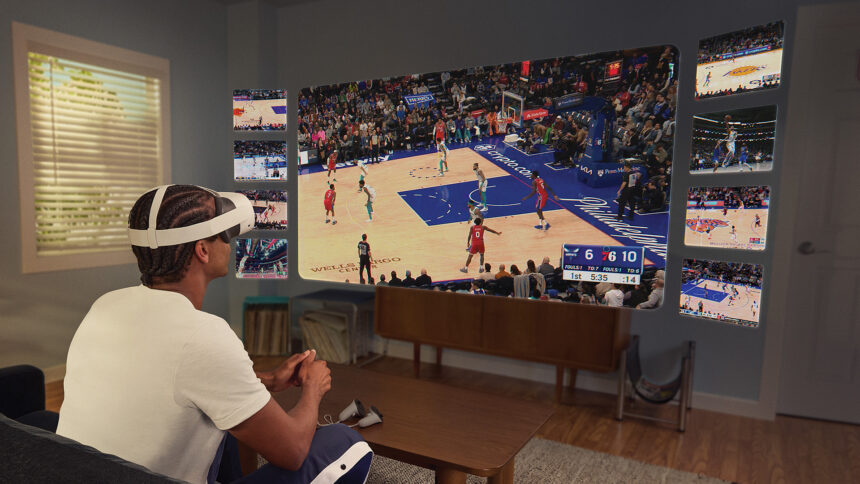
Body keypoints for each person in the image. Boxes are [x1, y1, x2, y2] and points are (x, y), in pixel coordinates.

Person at [57, 185, 371, 484]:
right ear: (203, 251)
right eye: (224, 236)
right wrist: (313, 389)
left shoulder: (106, 305)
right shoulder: (203, 333)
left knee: (224, 417)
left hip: (76, 473)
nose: (231, 243)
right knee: (345, 442)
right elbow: (292, 452)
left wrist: (269, 381)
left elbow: (162, 380)